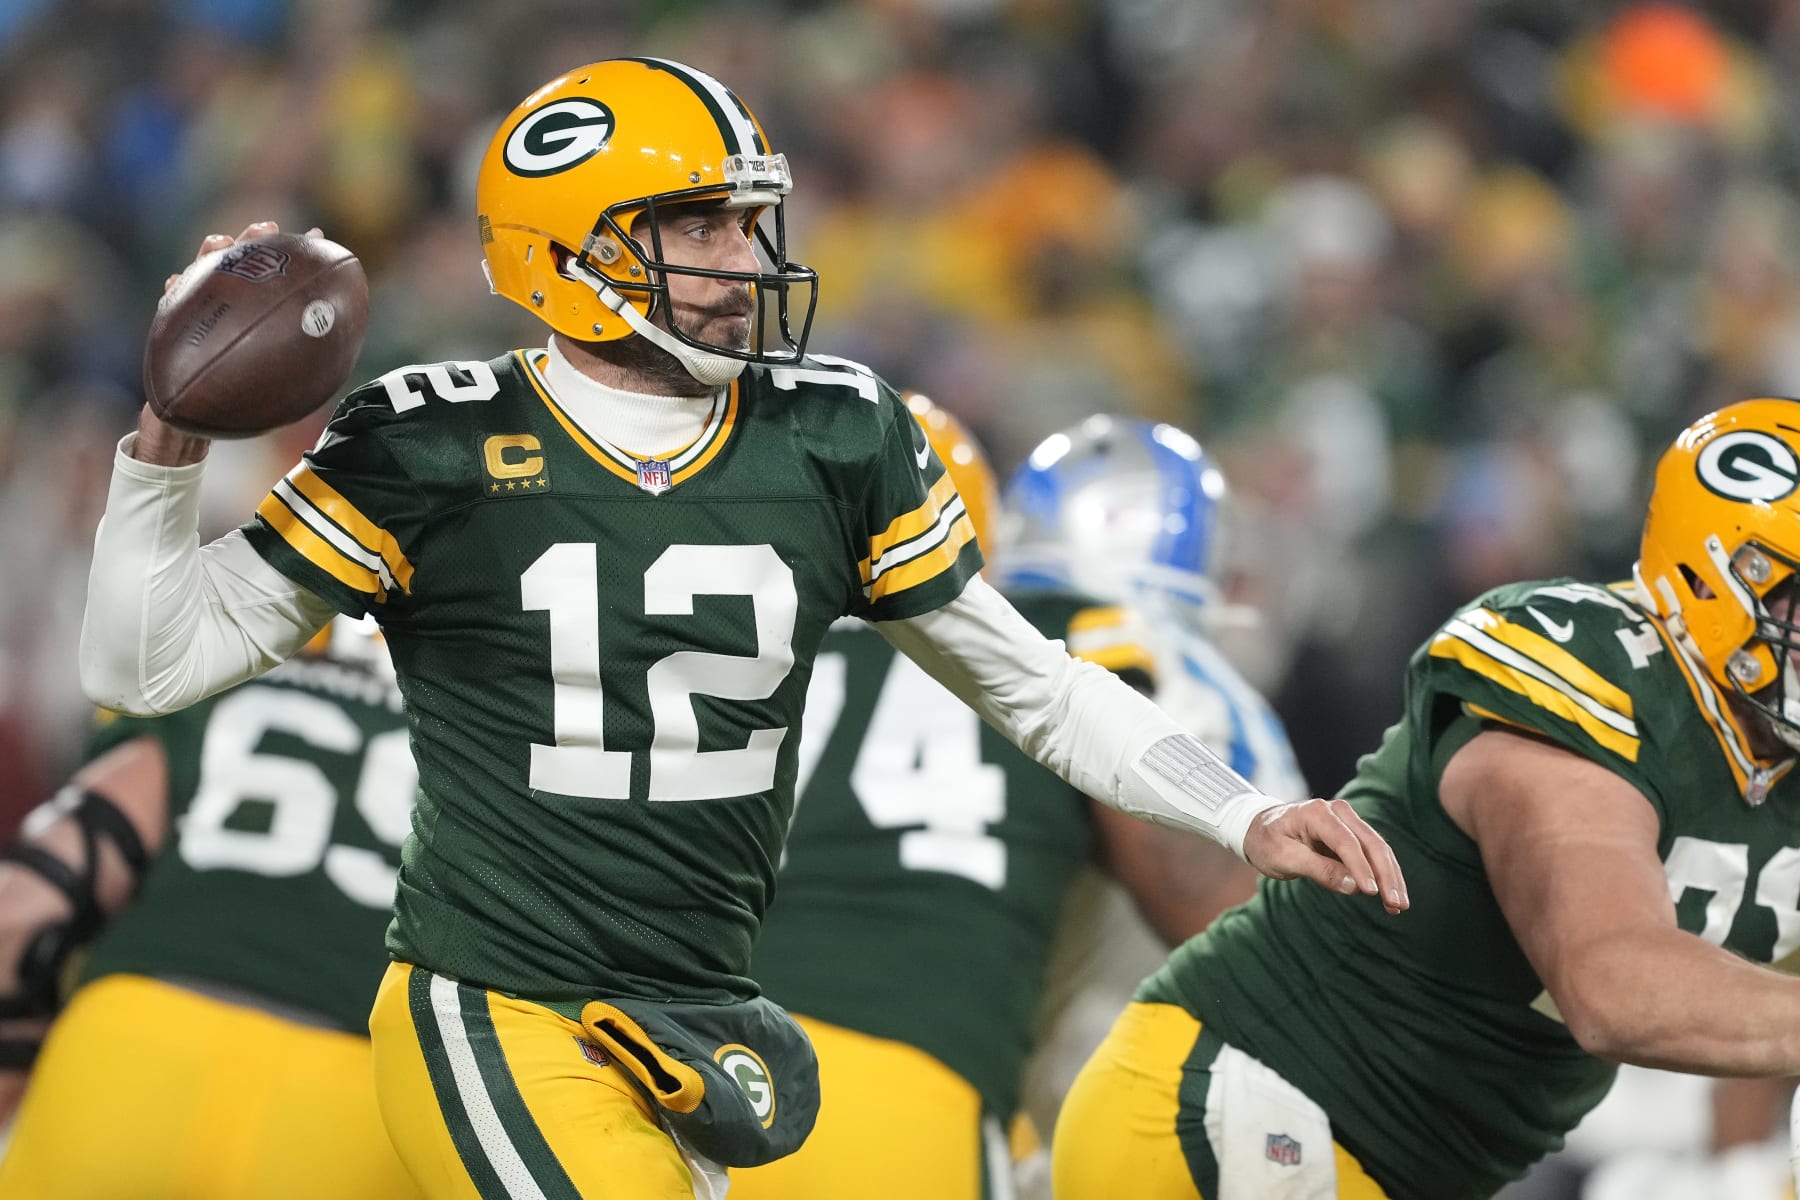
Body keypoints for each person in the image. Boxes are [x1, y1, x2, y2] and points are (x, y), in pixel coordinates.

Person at [77, 57, 1405, 1197]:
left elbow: (1034, 686)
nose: (743, 262)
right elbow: (144, 664)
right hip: (497, 997)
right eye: (697, 228)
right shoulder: (431, 441)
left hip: (700, 1010)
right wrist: (169, 440)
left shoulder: (835, 434)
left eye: (747, 222)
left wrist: (1245, 814)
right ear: (569, 254)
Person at [1052, 397, 1800, 1200]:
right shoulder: (1597, 679)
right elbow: (1615, 984)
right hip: (1243, 1097)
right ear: (1714, 576)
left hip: (1390, 1166)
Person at [733, 405, 1305, 1200]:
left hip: (709, 1069)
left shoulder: (773, 649)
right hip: (946, 1089)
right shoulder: (1098, 639)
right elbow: (1215, 905)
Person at [0, 618, 421, 1200]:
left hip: (126, 1061)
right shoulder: (522, 722)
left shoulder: (214, 652)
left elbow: (30, 900)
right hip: (367, 1104)